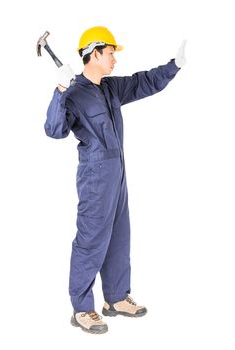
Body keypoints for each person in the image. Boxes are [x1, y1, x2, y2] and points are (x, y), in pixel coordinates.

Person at [44, 26, 186, 334]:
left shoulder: (109, 88)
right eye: (110, 53)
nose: (114, 60)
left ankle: (116, 298)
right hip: (96, 178)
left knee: (120, 236)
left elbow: (141, 83)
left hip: (118, 174)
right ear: (94, 53)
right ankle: (82, 308)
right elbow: (55, 131)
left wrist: (173, 66)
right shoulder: (73, 92)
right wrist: (59, 92)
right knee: (91, 239)